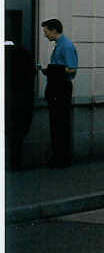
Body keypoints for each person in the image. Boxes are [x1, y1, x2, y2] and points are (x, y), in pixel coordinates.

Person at [39, 18, 78, 167]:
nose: (45, 34)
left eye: (46, 31)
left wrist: (51, 70)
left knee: (60, 124)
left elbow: (72, 69)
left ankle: (62, 159)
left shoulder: (66, 46)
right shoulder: (59, 45)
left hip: (61, 88)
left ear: (54, 30)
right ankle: (58, 157)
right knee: (56, 124)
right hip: (57, 87)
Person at [5, 41, 37, 170]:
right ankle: (15, 164)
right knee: (17, 136)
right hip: (22, 100)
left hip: (7, 99)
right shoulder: (24, 54)